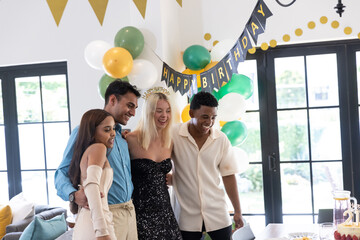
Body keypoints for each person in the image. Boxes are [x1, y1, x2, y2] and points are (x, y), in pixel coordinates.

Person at [55, 80, 141, 240]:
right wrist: (73, 194)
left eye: (135, 108)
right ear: (113, 100)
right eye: (130, 105)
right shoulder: (84, 131)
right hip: (105, 213)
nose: (133, 113)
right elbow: (61, 171)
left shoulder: (122, 139)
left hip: (129, 212)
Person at [171, 91, 244, 240]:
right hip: (186, 216)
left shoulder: (221, 139)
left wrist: (237, 211)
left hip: (217, 213)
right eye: (205, 116)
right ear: (191, 113)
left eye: (213, 117)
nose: (209, 122)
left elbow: (228, 175)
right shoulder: (173, 134)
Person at [125, 93, 182, 240]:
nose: (165, 115)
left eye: (168, 111)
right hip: (140, 213)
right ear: (149, 112)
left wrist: (173, 178)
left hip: (165, 212)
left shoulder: (170, 141)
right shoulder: (129, 139)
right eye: (159, 110)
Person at [70, 109, 116, 240]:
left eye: (113, 128)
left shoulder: (90, 151)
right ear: (92, 132)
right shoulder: (98, 148)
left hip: (92, 220)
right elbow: (91, 185)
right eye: (107, 130)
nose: (113, 133)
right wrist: (101, 231)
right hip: (95, 225)